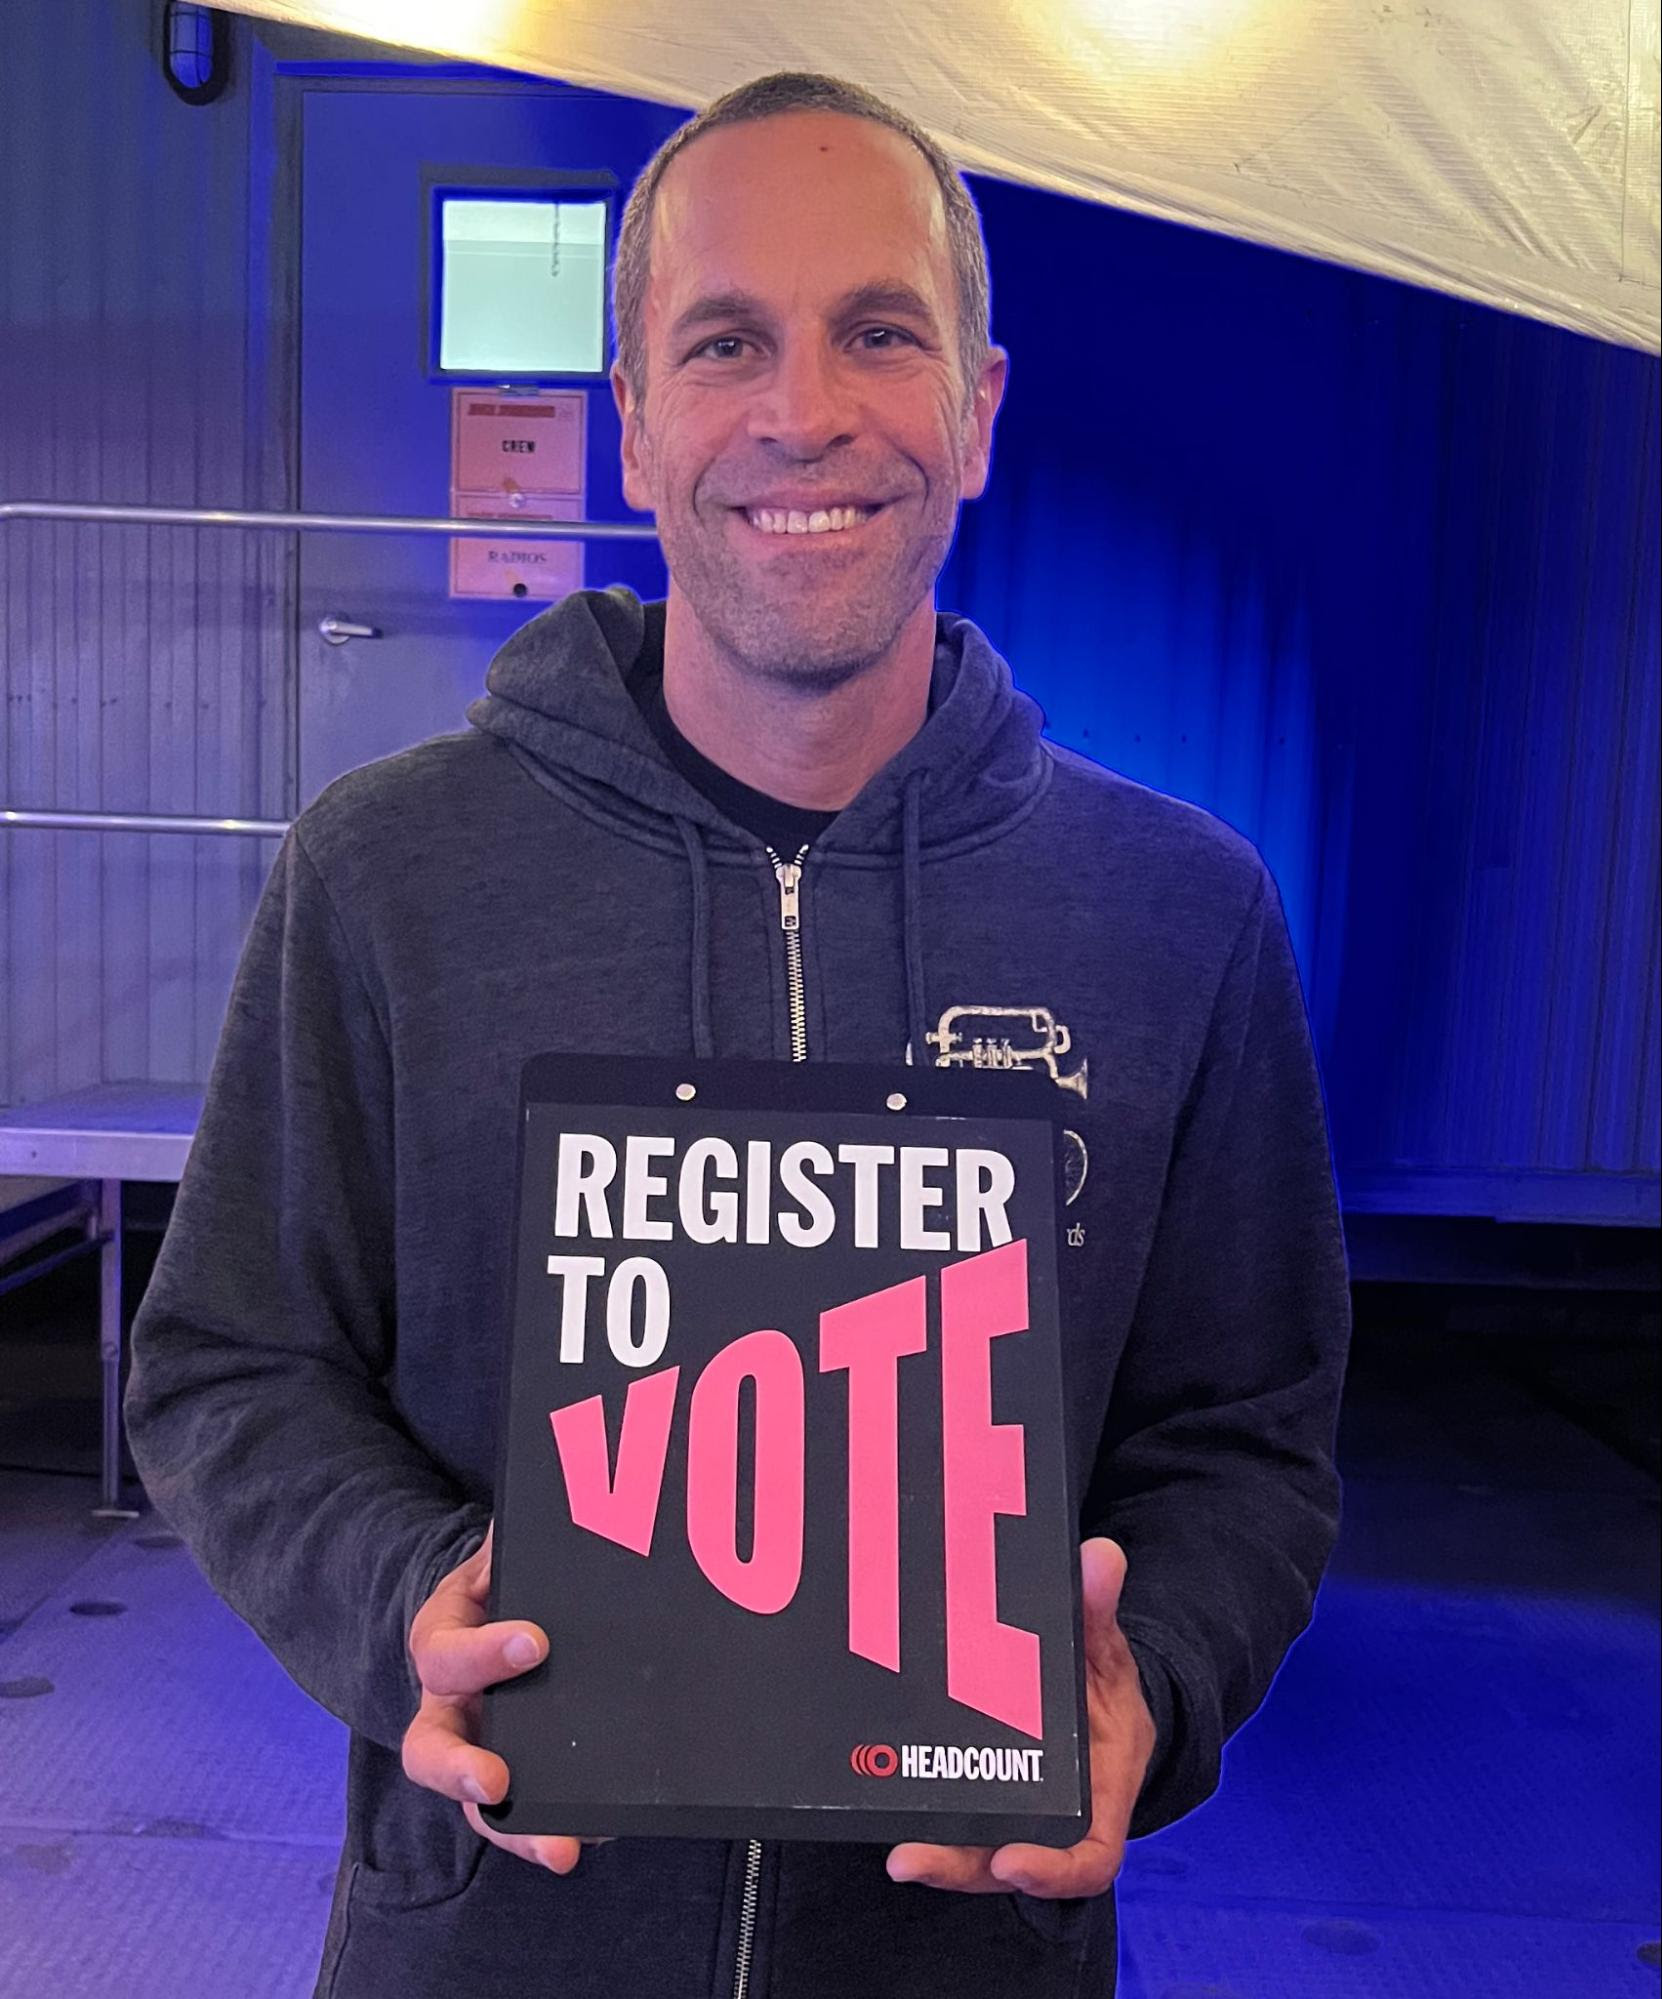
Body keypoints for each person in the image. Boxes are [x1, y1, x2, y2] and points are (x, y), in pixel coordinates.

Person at [124, 68, 1352, 1999]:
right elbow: (230, 1365)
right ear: (633, 417)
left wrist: (1158, 1679)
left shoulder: (1179, 915)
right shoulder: (387, 874)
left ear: (977, 408)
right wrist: (407, 1599)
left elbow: (1246, 1441)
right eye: (724, 343)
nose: (801, 412)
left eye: (879, 331)